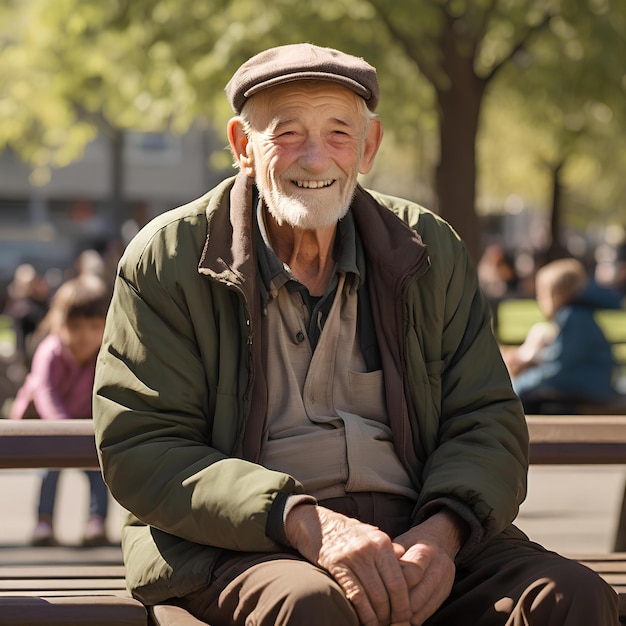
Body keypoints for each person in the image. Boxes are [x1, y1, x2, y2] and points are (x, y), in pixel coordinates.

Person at [93, 44, 619, 625]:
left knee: (569, 597)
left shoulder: (428, 248)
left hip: (420, 527)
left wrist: (442, 538)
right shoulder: (169, 257)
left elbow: (486, 419)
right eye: (287, 133)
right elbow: (143, 447)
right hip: (244, 543)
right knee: (311, 608)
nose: (315, 159)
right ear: (244, 146)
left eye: (339, 133)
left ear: (368, 147)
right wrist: (307, 523)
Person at [11, 273, 112, 547]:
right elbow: (46, 394)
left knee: (97, 471)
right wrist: (63, 428)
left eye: (94, 326)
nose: (85, 335)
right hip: (48, 426)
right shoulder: (51, 351)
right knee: (50, 469)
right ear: (60, 322)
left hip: (85, 425)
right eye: (76, 326)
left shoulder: (103, 354)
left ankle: (97, 521)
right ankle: (44, 520)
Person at [504, 257, 624, 414]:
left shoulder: (573, 318)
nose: (539, 300)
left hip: (588, 389)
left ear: (556, 294)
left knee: (530, 400)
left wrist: (519, 385)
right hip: (588, 385)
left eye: (542, 294)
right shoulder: (575, 315)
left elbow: (557, 368)